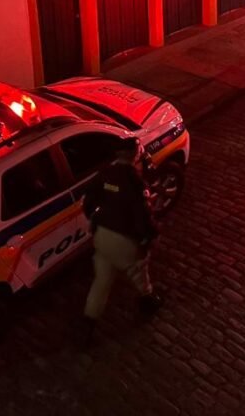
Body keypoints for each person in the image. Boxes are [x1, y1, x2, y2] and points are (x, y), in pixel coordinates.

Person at [79, 137, 162, 343]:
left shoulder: (104, 174)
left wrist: (95, 218)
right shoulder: (134, 181)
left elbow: (88, 202)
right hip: (124, 240)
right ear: (134, 155)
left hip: (102, 237)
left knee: (101, 283)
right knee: (138, 270)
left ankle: (87, 327)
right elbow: (142, 214)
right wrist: (150, 236)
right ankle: (148, 299)